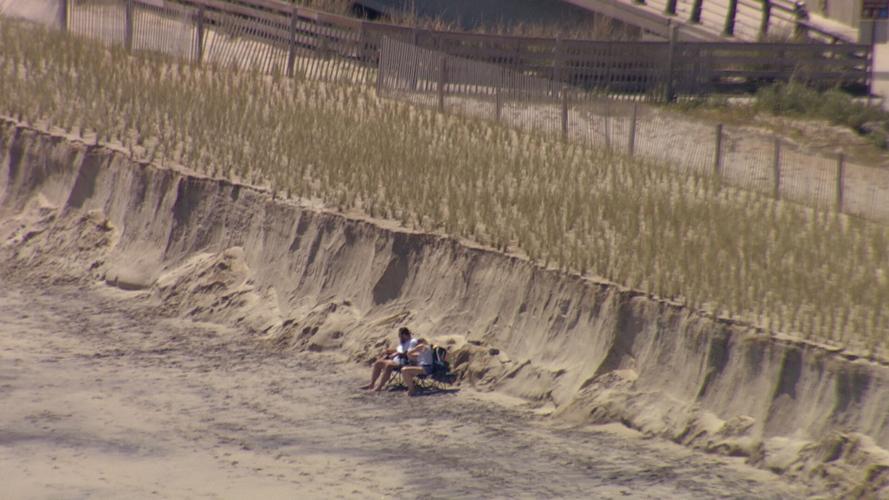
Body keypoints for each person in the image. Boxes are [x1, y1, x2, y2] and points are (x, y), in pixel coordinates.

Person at [362, 327, 417, 391]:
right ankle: (371, 384)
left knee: (388, 365)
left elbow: (409, 352)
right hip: (396, 360)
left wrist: (397, 354)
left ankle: (379, 387)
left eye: (400, 336)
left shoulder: (412, 341)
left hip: (405, 362)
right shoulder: (404, 343)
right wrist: (390, 351)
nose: (400, 338)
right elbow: (399, 350)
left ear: (404, 335)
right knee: (378, 363)